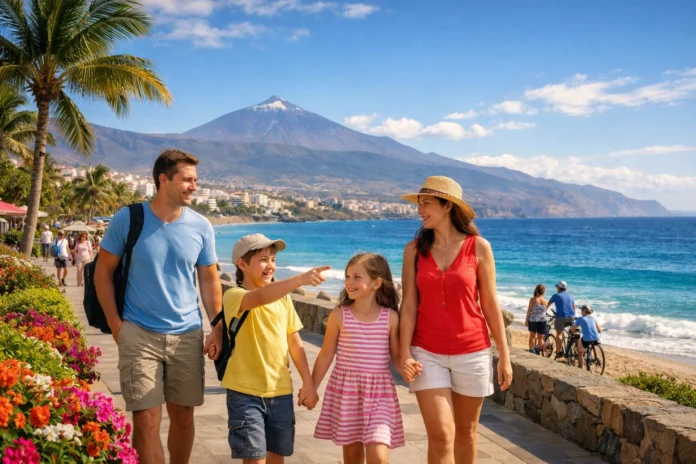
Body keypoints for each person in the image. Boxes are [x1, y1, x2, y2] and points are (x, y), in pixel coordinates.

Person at [95, 149, 223, 464]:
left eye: (196, 180)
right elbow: (103, 272)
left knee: (183, 417)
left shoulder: (201, 226)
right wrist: (115, 324)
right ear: (163, 180)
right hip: (138, 334)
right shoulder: (128, 218)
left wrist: (217, 326)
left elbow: (209, 280)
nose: (195, 186)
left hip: (187, 334)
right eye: (188, 179)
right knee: (146, 420)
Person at [399, 176, 513, 464]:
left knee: (467, 433)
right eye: (419, 204)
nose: (419, 210)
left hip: (473, 351)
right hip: (426, 352)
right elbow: (409, 305)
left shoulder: (479, 247)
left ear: (447, 205)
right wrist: (403, 353)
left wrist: (505, 356)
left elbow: (489, 303)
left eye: (426, 203)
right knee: (440, 434)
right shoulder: (413, 250)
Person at [223, 233, 327, 464]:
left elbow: (295, 343)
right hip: (245, 393)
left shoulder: (283, 299)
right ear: (242, 264)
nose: (270, 266)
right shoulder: (234, 296)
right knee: (254, 459)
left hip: (280, 393)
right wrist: (299, 280)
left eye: (273, 259)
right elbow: (259, 297)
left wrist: (308, 384)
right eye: (263, 259)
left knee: (276, 457)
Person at [312, 253, 405, 464]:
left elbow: (397, 357)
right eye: (347, 276)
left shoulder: (390, 317)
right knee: (352, 457)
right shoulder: (339, 315)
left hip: (379, 394)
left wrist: (409, 369)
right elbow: (326, 354)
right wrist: (311, 386)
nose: (349, 282)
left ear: (376, 283)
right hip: (347, 393)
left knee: (378, 457)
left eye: (356, 277)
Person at [547, 281, 576, 359]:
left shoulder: (556, 296)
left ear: (559, 288)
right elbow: (573, 307)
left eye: (557, 287)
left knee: (559, 333)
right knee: (571, 331)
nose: (557, 289)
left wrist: (543, 312)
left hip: (561, 317)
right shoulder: (571, 296)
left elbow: (547, 305)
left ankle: (559, 352)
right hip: (572, 316)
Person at [525, 284, 548, 355]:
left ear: (536, 290)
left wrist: (526, 320)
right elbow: (544, 311)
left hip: (533, 320)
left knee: (532, 337)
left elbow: (529, 310)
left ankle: (531, 351)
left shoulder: (533, 299)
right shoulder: (546, 301)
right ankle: (539, 352)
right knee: (540, 338)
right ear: (543, 292)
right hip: (542, 321)